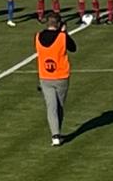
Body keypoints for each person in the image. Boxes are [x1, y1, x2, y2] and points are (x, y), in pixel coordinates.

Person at [35, 10, 77, 146]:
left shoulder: (37, 36)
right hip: (61, 76)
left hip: (45, 76)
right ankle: (56, 133)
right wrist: (64, 32)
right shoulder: (62, 37)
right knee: (58, 107)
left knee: (51, 106)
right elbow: (73, 48)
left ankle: (55, 134)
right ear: (59, 24)